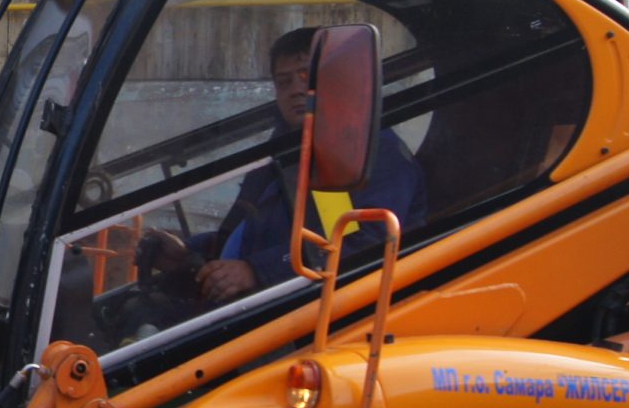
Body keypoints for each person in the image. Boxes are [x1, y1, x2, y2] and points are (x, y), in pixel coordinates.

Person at [135, 27, 428, 304]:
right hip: (271, 300)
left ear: (337, 80)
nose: (296, 90)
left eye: (307, 76)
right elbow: (254, 236)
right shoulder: (282, 153)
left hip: (328, 311)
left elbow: (361, 246)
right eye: (284, 82)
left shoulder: (365, 154)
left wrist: (256, 271)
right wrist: (191, 253)